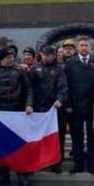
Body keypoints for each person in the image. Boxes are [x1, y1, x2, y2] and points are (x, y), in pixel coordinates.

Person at [0, 47, 33, 186]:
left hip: (17, 113)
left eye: (13, 57)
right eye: (8, 57)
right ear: (2, 58)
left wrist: (28, 104)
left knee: (19, 146)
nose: (12, 59)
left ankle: (22, 174)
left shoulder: (20, 71)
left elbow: (29, 89)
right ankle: (3, 175)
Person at [64, 36, 94, 174]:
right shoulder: (69, 63)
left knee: (93, 137)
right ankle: (78, 164)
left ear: (90, 47)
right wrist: (68, 103)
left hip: (93, 106)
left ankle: (92, 165)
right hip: (75, 106)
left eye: (86, 45)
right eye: (81, 45)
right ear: (77, 48)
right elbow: (66, 85)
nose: (84, 48)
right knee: (76, 136)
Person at [29, 45, 68, 173]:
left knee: (58, 136)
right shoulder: (35, 69)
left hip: (55, 109)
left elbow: (63, 87)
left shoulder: (59, 69)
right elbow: (29, 88)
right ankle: (40, 161)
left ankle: (57, 162)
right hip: (39, 109)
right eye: (44, 55)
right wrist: (29, 104)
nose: (46, 57)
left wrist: (60, 99)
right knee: (39, 137)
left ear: (54, 55)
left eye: (49, 55)